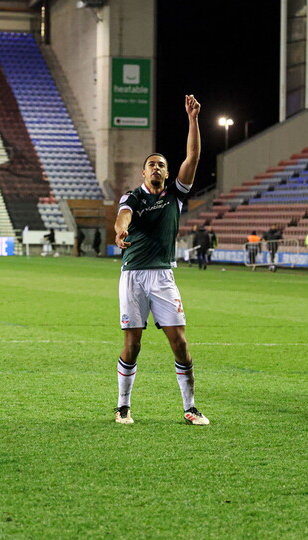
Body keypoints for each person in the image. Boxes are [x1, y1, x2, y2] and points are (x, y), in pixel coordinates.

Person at [113, 94, 207, 426]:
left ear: (167, 174)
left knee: (180, 342)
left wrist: (193, 119)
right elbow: (123, 216)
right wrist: (120, 231)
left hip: (164, 277)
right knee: (133, 343)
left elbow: (193, 155)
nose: (157, 167)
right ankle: (123, 405)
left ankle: (190, 406)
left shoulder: (176, 195)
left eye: (162, 164)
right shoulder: (133, 196)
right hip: (134, 276)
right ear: (143, 172)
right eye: (152, 163)